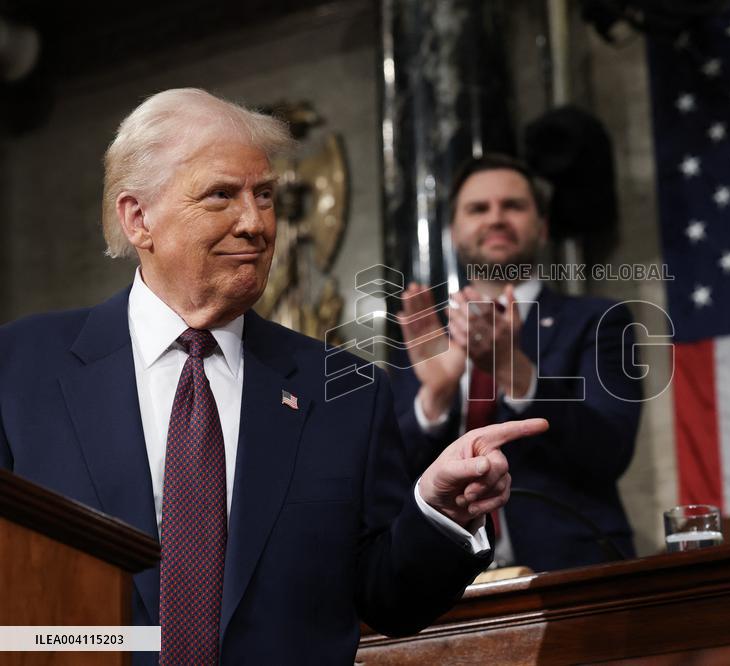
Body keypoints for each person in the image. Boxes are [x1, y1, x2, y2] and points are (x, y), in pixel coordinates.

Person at [0, 89, 548, 664]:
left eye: (265, 197)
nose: (256, 224)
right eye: (221, 196)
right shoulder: (21, 370)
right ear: (138, 218)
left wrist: (440, 513)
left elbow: (389, 599)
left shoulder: (347, 390)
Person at [389, 154, 641, 572]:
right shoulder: (425, 336)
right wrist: (434, 397)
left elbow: (610, 453)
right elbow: (389, 478)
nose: (496, 218)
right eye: (478, 208)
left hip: (573, 572)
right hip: (440, 583)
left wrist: (515, 372)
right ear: (453, 234)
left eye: (513, 206)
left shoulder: (598, 321)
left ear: (541, 227)